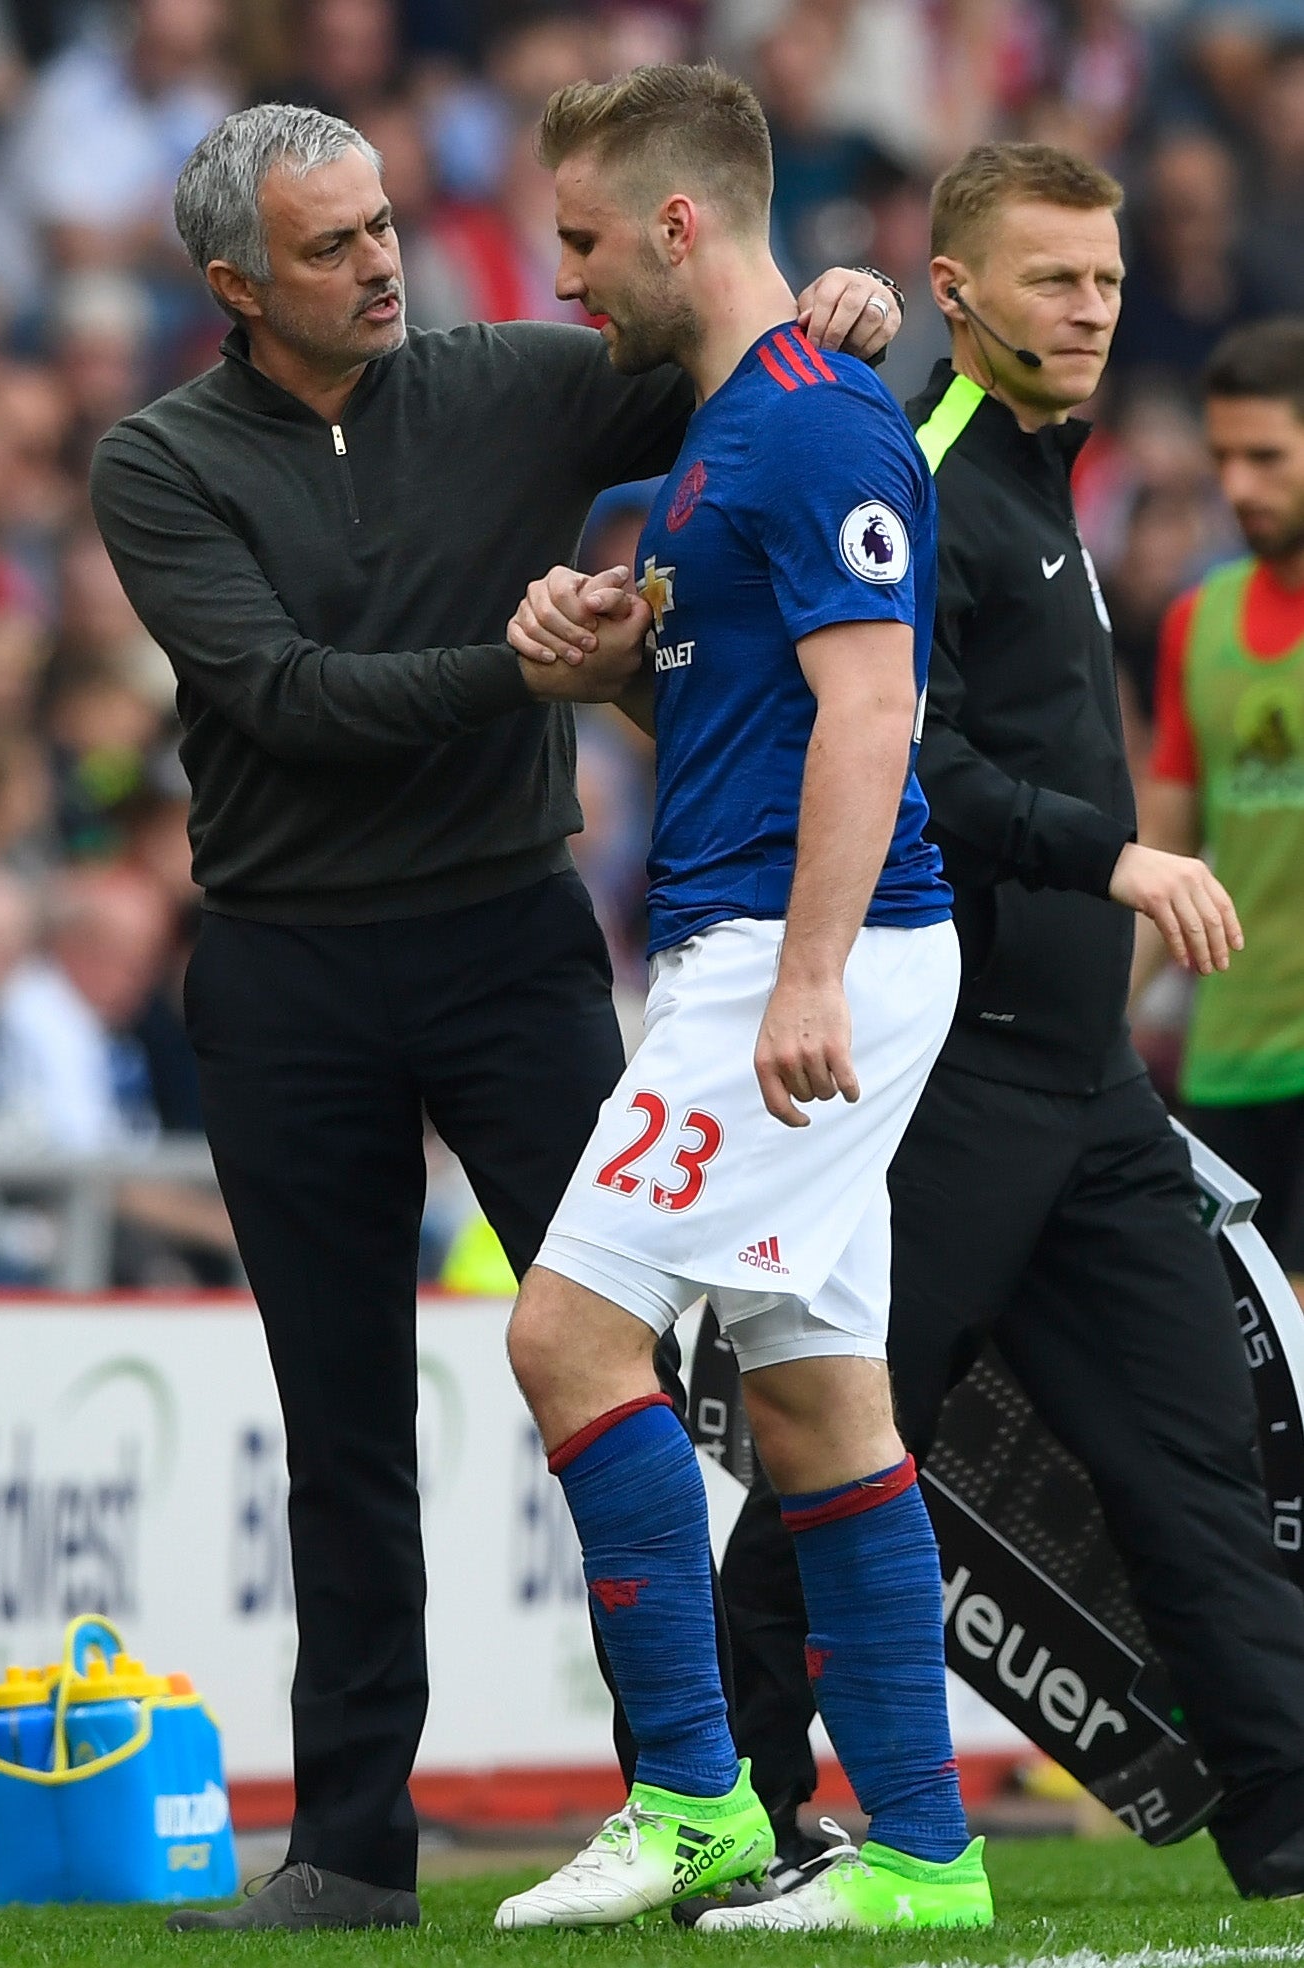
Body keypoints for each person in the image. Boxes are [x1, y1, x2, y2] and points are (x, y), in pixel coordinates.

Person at [88, 99, 901, 1933]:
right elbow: (286, 698)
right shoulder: (156, 462)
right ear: (235, 284)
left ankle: (740, 1805)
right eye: (330, 246)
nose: (382, 260)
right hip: (288, 969)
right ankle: (354, 1853)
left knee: (645, 1379)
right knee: (344, 1427)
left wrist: (837, 310)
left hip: (513, 942)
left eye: (381, 223)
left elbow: (730, 358)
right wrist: (535, 666)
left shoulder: (518, 379)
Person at [705, 143, 1304, 1915]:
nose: (1094, 307)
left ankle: (1285, 1820)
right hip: (950, 1075)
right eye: (1053, 279)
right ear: (953, 293)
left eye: (1107, 280)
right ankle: (726, 1792)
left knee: (1195, 1458)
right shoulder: (927, 474)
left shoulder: (1053, 488)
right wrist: (1114, 855)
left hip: (1088, 1082)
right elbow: (906, 753)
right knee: (841, 1439)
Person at [493, 64, 991, 1935]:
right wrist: (606, 665)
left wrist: (800, 978)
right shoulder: (717, 444)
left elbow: (878, 710)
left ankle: (694, 1802)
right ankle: (929, 1861)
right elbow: (754, 713)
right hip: (778, 945)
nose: (569, 277)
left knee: (563, 1340)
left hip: (804, 953)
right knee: (814, 1412)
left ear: (681, 221)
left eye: (584, 236)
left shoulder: (810, 429)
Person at [1135, 318, 1304, 1304]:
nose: (1238, 486)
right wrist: (1099, 1021)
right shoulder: (1199, 622)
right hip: (1228, 1060)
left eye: (1268, 457)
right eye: (1224, 458)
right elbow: (1167, 844)